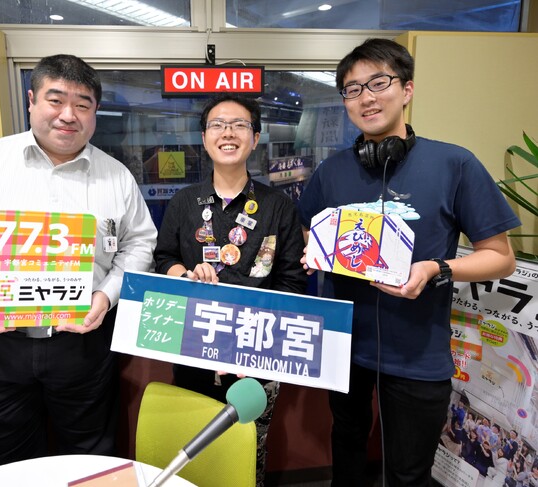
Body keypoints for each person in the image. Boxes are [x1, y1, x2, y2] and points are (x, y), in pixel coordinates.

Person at [0, 54, 157, 468]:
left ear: (95, 111)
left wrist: (106, 296)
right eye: (55, 100)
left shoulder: (117, 176)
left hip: (83, 343)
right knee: (10, 461)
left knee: (90, 458)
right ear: (31, 101)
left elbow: (139, 245)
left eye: (82, 104)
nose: (68, 115)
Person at [297, 38, 520, 486]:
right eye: (353, 89)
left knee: (408, 472)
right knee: (347, 451)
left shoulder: (455, 164)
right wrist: (316, 251)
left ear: (407, 89)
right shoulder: (330, 172)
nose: (366, 97)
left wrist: (436, 268)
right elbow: (310, 232)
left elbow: (501, 258)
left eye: (379, 83)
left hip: (418, 352)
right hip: (345, 345)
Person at [153, 92, 308, 486]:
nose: (228, 133)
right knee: (195, 449)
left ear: (254, 139)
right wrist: (185, 276)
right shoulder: (184, 202)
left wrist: (257, 348)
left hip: (257, 353)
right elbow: (163, 257)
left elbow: (292, 280)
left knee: (249, 449)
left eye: (240, 125)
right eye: (218, 125)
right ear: (204, 137)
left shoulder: (278, 206)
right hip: (195, 345)